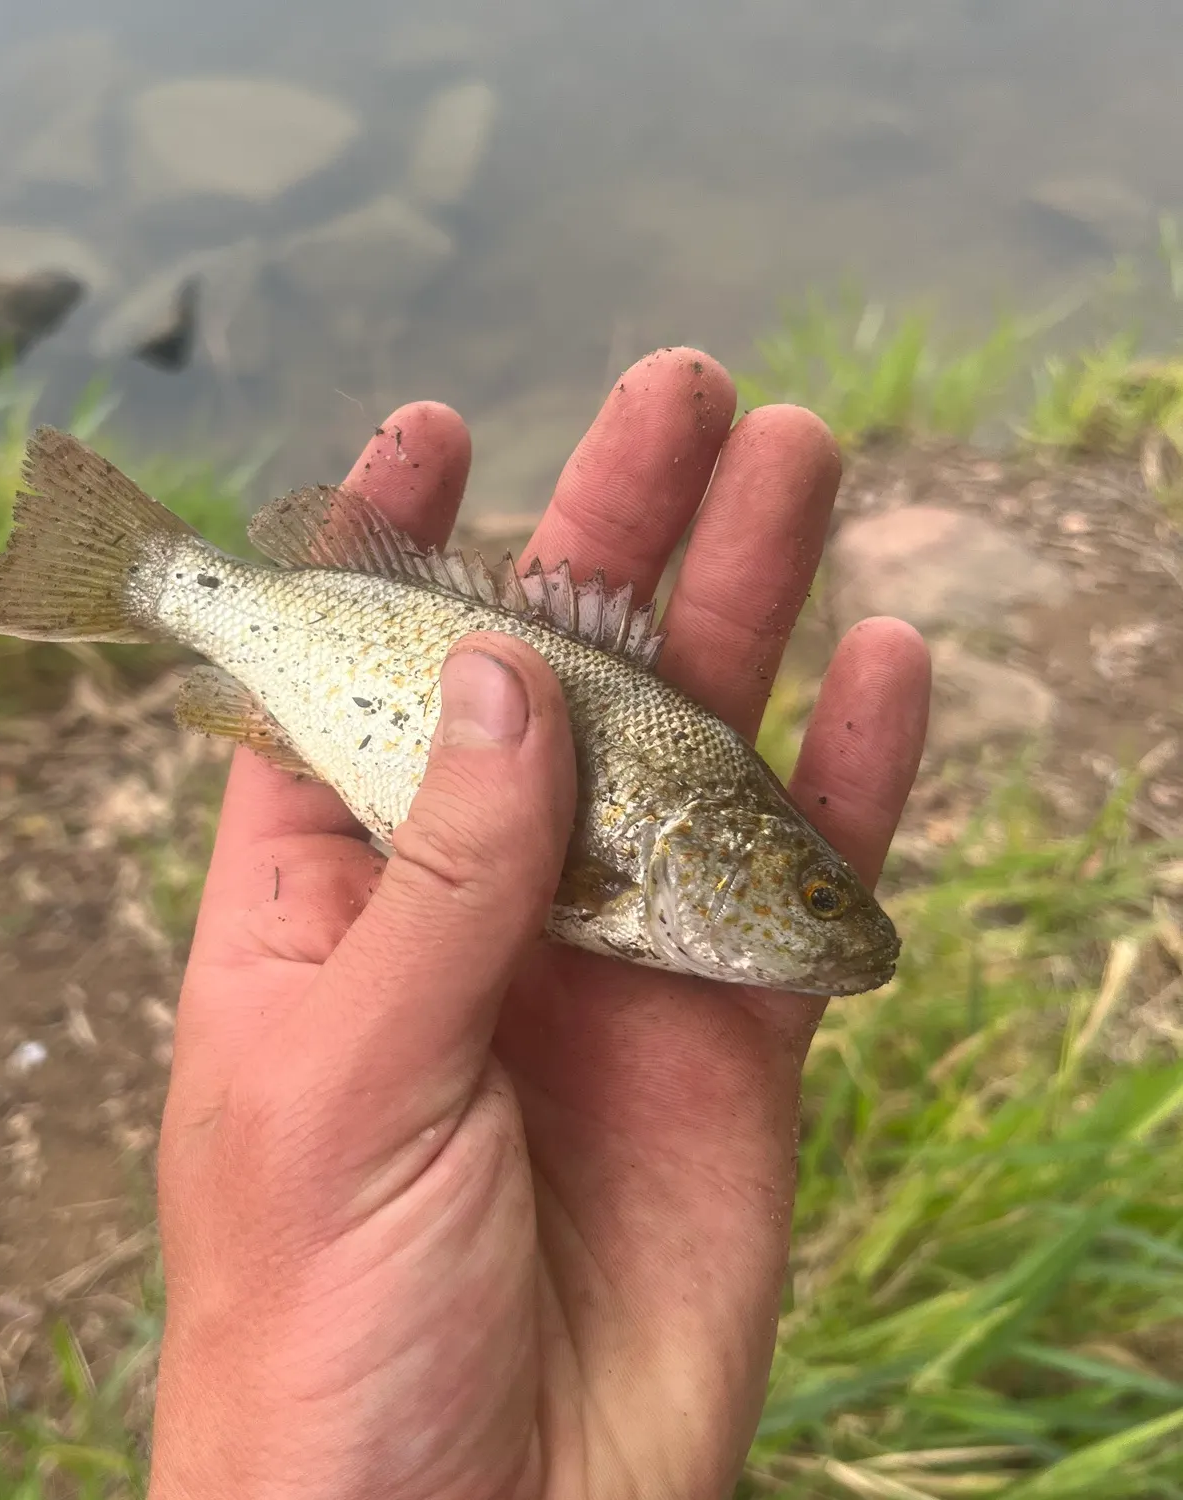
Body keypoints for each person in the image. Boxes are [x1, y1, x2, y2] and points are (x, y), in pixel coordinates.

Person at [147, 348, 931, 1498]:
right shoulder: (651, 852)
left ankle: (151, 577)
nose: (832, 927)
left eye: (821, 899)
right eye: (816, 898)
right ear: (714, 856)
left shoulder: (687, 830)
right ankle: (152, 577)